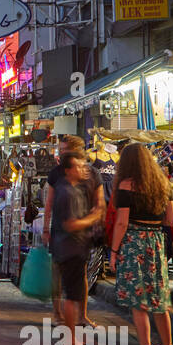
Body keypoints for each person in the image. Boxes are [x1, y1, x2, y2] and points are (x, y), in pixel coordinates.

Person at [109, 143, 173, 345]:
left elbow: (121, 222)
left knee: (139, 303)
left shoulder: (126, 186)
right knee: (159, 299)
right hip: (156, 243)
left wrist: (114, 252)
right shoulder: (163, 184)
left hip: (134, 244)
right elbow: (172, 220)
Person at [45, 135, 104, 326]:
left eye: (64, 150)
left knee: (81, 276)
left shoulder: (93, 174)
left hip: (82, 235)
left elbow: (100, 202)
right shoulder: (57, 174)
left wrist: (96, 218)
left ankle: (82, 315)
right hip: (61, 232)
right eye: (60, 150)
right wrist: (46, 228)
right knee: (57, 275)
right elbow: (49, 203)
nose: (61, 153)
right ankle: (57, 314)